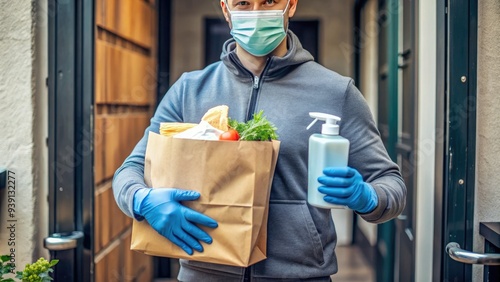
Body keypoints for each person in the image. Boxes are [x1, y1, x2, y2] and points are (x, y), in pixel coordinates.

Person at [113, 0, 406, 281]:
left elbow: (391, 185)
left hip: (300, 276)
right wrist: (142, 200)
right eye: (243, 3)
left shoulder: (335, 92)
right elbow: (131, 170)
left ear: (290, 4)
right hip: (204, 271)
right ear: (225, 10)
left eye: (268, 1)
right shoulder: (189, 90)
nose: (256, 13)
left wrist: (367, 197)